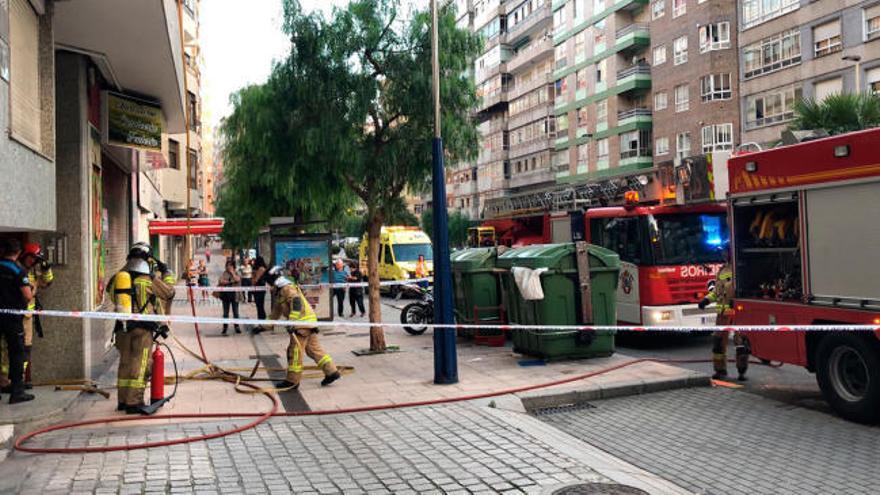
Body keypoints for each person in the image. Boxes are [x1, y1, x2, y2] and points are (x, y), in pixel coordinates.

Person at [107, 242, 175, 413]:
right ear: (147, 259)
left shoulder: (118, 277)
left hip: (122, 328)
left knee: (125, 363)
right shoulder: (148, 279)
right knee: (141, 363)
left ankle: (122, 401)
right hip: (142, 330)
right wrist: (166, 273)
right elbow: (169, 292)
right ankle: (134, 402)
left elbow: (110, 293)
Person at [265, 266, 340, 389]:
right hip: (309, 322)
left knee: (294, 351)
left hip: (302, 324)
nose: (269, 287)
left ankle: (292, 381)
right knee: (313, 349)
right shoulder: (282, 291)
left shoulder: (286, 288)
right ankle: (331, 372)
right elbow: (275, 314)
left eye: (269, 283)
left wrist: (292, 322)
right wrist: (261, 326)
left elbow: (296, 302)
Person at [699, 246, 749, 381]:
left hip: (735, 311)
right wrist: (706, 300)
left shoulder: (739, 269)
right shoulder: (722, 270)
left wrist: (735, 301)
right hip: (722, 312)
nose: (723, 254)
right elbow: (717, 292)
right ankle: (720, 370)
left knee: (740, 341)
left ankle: (742, 370)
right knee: (718, 341)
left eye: (725, 251)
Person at [0, 238, 35, 404]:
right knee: (17, 352)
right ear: (18, 253)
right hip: (12, 318)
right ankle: (17, 391)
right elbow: (28, 296)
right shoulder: (17, 270)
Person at [18, 243, 53, 389]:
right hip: (14, 316)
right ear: (25, 255)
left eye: (35, 259)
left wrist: (46, 270)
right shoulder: (16, 269)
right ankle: (6, 381)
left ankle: (19, 378)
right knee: (11, 349)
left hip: (27, 317)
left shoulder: (33, 272)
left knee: (26, 348)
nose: (32, 261)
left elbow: (47, 282)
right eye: (31, 257)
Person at [218, 260, 242, 335]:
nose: (229, 267)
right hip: (225, 295)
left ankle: (237, 326)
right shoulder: (224, 273)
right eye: (227, 265)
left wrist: (232, 273)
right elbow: (221, 281)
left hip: (235, 295)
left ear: (233, 266)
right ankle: (225, 327)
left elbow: (237, 279)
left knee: (236, 312)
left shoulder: (237, 272)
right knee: (225, 313)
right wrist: (230, 282)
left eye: (230, 265)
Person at [251, 256, 269, 334]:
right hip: (258, 290)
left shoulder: (261, 269)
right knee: (259, 307)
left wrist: (254, 275)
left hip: (259, 290)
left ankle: (262, 324)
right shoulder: (260, 269)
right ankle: (261, 323)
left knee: (260, 307)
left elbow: (255, 280)